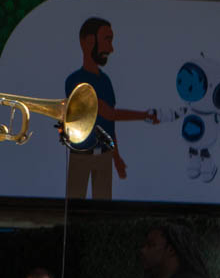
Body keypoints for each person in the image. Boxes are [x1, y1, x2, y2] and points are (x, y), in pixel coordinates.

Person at [64, 17, 159, 200]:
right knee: (75, 209)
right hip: (80, 157)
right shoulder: (75, 81)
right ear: (89, 42)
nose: (111, 49)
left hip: (104, 157)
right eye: (107, 40)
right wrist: (144, 116)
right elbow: (107, 113)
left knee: (103, 209)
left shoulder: (105, 81)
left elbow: (108, 125)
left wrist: (116, 157)